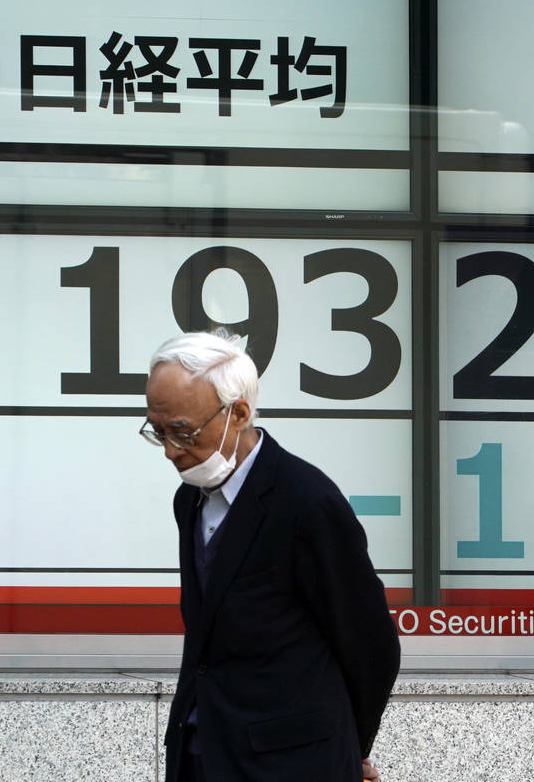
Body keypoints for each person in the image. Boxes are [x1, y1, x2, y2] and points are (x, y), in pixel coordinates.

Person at [142, 330, 401, 782]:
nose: (169, 450)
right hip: (201, 755)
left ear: (237, 413)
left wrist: (348, 750)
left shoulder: (307, 502)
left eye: (182, 432)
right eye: (158, 431)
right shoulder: (191, 500)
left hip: (291, 764)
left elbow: (371, 645)